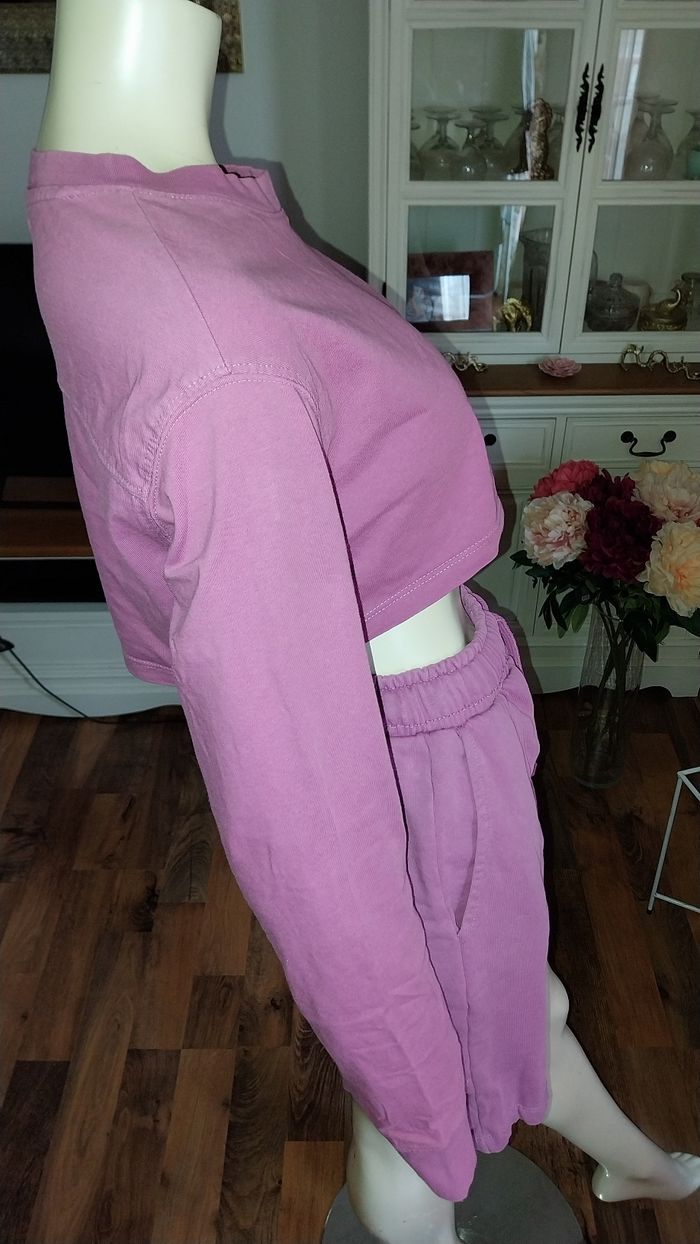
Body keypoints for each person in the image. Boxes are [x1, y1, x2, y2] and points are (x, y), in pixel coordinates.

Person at [28, 3, 700, 1241]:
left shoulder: (107, 199)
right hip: (406, 760)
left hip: (422, 720)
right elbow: (304, 806)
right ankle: (610, 1167)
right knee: (420, 1096)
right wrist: (405, 1071)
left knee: (521, 1004)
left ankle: (642, 1167)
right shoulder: (217, 357)